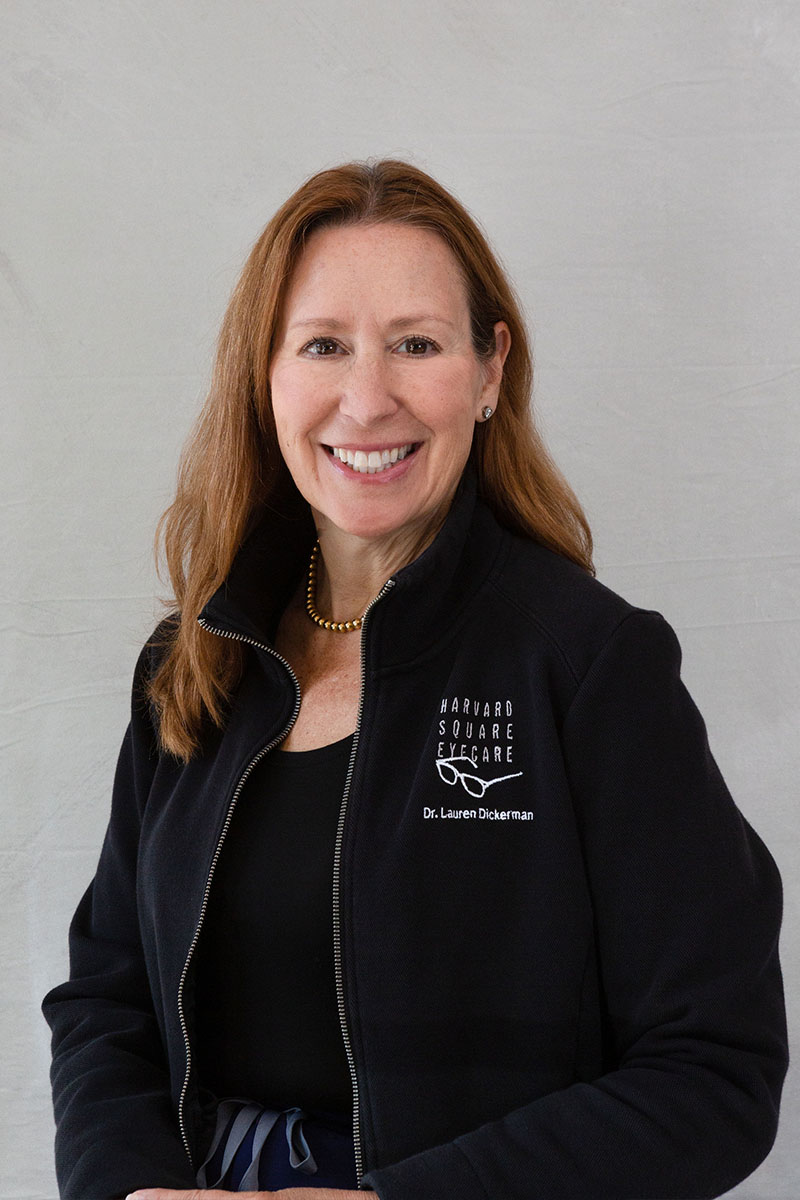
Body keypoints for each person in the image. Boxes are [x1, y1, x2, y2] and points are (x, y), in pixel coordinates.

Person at [43, 159, 788, 1200]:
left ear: (487, 372)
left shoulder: (589, 665)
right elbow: (107, 998)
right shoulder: (194, 663)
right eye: (322, 346)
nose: (365, 398)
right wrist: (127, 1187)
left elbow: (715, 1073)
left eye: (415, 345)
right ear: (264, 378)